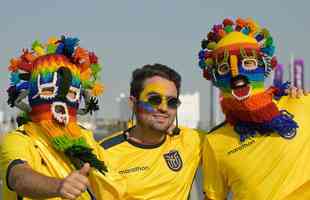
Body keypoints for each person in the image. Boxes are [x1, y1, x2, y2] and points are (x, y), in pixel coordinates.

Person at [0, 36, 126, 200]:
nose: (60, 103)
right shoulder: (19, 139)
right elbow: (19, 177)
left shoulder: (85, 137)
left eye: (71, 94)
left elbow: (115, 183)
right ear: (31, 94)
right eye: (47, 90)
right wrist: (59, 186)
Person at [197, 17, 310, 199]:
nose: (237, 75)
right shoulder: (215, 141)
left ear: (264, 65)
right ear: (214, 78)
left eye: (248, 63)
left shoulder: (301, 102)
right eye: (225, 68)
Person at [99, 63, 220, 200]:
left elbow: (230, 147)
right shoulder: (105, 153)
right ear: (133, 103)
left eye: (171, 102)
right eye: (154, 100)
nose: (163, 108)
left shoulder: (191, 140)